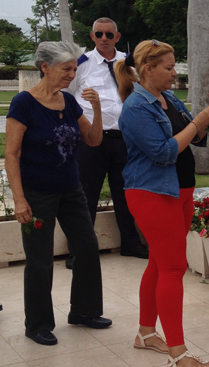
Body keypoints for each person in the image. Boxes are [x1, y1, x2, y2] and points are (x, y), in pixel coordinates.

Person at [115, 39, 209, 367]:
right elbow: (163, 152)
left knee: (159, 263)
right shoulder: (136, 107)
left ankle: (146, 333)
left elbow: (192, 137)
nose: (174, 72)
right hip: (151, 192)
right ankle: (178, 356)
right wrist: (198, 121)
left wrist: (208, 116)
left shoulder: (168, 99)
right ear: (149, 69)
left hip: (179, 189)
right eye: (169, 67)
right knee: (174, 267)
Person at [5, 41, 112, 346]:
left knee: (88, 247)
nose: (71, 74)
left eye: (74, 69)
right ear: (45, 67)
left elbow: (92, 139)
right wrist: (19, 199)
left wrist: (97, 108)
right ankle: (37, 324)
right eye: (66, 69)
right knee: (40, 259)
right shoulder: (23, 103)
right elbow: (11, 154)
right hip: (37, 193)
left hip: (71, 189)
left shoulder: (68, 100)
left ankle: (85, 311)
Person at [65, 17, 148, 270]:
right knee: (85, 195)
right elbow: (67, 98)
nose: (104, 38)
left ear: (117, 36)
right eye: (99, 34)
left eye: (109, 35)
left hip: (125, 139)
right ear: (92, 36)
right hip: (91, 140)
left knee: (126, 193)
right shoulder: (81, 64)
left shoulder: (130, 63)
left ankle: (130, 243)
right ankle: (79, 250)